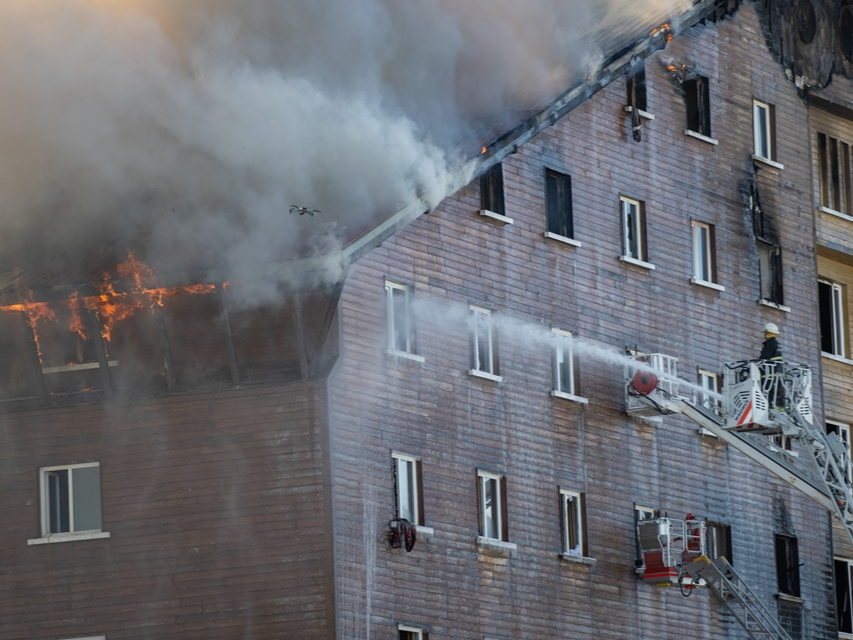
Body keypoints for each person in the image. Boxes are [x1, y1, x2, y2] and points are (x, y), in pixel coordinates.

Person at [758, 323, 784, 410]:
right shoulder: (777, 344)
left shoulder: (769, 344)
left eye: (765, 333)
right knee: (778, 393)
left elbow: (764, 358)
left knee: (768, 392)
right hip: (778, 373)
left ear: (768, 333)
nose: (764, 335)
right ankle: (780, 407)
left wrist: (757, 364)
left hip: (769, 374)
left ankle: (770, 407)